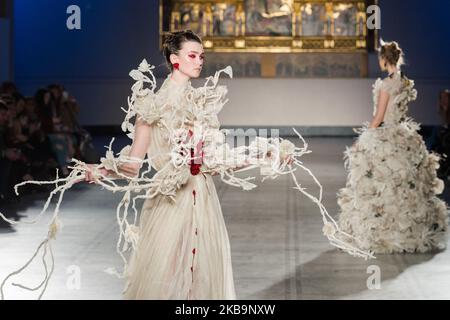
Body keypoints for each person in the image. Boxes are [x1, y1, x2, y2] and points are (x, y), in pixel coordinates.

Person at [337, 41, 448, 254]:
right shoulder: (405, 82)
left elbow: (379, 117)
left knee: (379, 180)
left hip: (385, 134)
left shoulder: (385, 84)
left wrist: (364, 136)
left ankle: (381, 233)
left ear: (384, 59)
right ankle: (408, 231)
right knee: (405, 183)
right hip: (404, 135)